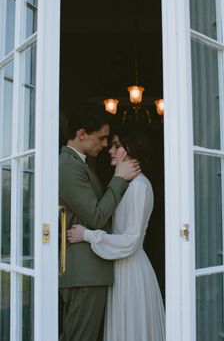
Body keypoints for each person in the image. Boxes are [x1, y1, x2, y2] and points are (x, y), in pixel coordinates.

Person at [67, 124, 166, 341]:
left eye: (117, 146)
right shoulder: (128, 186)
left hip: (131, 269)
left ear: (133, 148)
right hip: (119, 268)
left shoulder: (140, 186)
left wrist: (88, 235)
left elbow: (131, 240)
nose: (110, 150)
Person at [59, 106, 141, 341]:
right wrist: (119, 178)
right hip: (85, 272)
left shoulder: (79, 163)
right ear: (82, 134)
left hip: (90, 270)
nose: (105, 145)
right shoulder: (68, 166)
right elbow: (95, 216)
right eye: (102, 137)